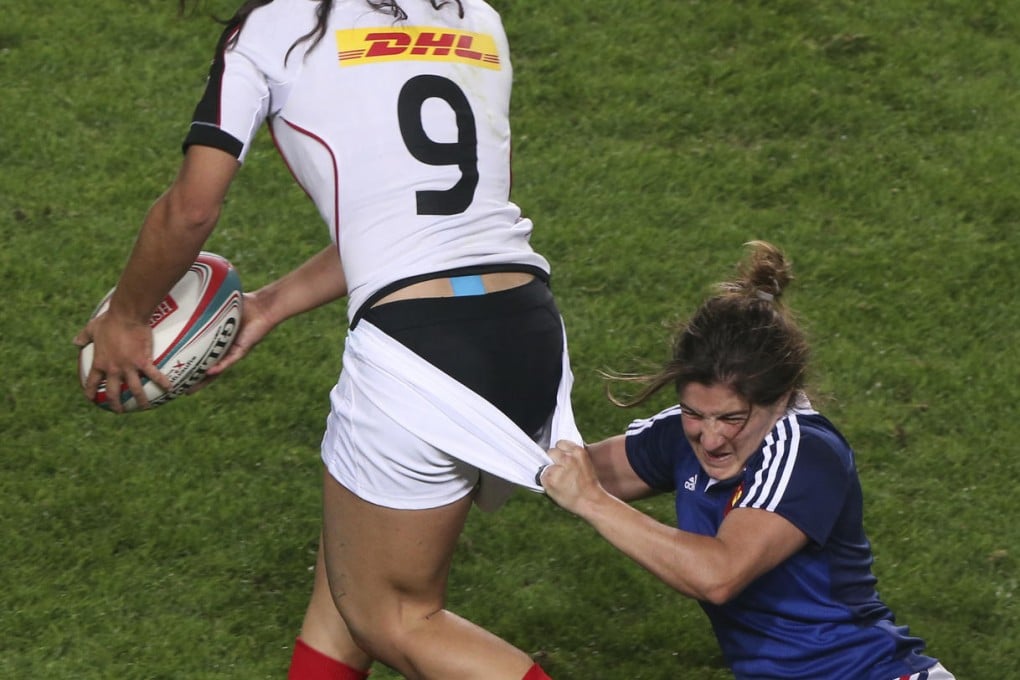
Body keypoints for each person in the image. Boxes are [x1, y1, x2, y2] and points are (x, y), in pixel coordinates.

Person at [74, 1, 578, 678]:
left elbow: (191, 206)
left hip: (419, 349)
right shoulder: (478, 19)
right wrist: (272, 305)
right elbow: (430, 217)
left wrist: (128, 318)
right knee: (340, 601)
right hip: (525, 324)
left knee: (394, 616)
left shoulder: (277, 27)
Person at [540, 241, 954, 680]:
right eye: (694, 413)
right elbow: (570, 473)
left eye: (732, 418)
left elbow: (719, 574)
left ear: (778, 400)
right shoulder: (685, 433)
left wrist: (591, 501)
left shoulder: (805, 450)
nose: (711, 438)